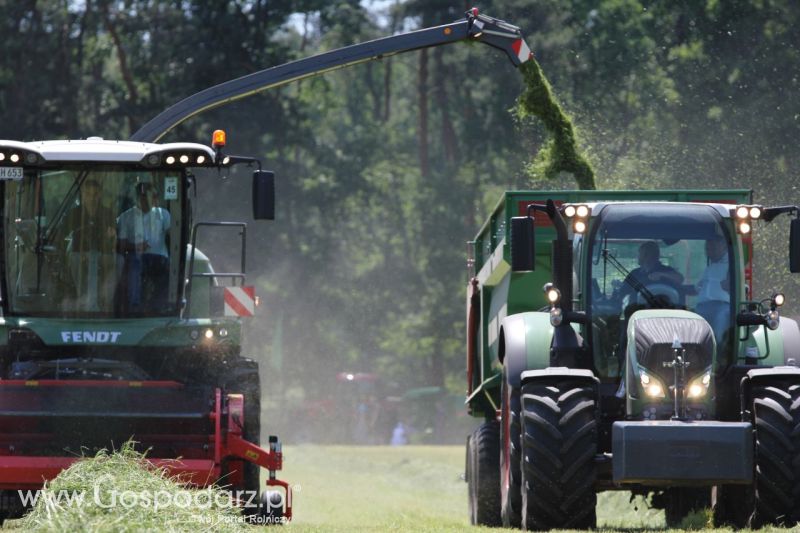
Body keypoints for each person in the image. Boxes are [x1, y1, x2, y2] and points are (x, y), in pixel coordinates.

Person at [116, 182, 171, 312]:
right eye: (146, 196)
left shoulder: (163, 214)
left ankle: (159, 307)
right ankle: (134, 306)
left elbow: (173, 236)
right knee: (135, 263)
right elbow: (120, 245)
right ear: (138, 197)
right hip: (136, 257)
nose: (152, 199)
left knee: (170, 269)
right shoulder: (125, 217)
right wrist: (136, 246)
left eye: (154, 196)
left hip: (160, 258)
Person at [63, 179, 116, 311]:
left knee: (119, 261)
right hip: (78, 254)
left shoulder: (108, 213)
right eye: (88, 194)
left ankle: (105, 301)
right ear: (83, 195)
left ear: (100, 195)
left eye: (95, 194)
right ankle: (86, 299)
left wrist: (112, 236)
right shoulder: (74, 213)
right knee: (75, 259)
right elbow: (61, 235)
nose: (92, 198)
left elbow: (115, 239)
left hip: (103, 255)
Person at [614, 241, 684, 304]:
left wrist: (661, 274)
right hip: (637, 313)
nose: (638, 257)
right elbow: (624, 290)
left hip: (666, 313)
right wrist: (619, 285)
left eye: (640, 254)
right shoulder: (635, 273)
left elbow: (680, 279)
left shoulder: (666, 270)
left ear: (647, 255)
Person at [694, 236, 730, 342]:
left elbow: (732, 286)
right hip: (703, 306)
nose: (708, 251)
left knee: (721, 321)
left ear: (723, 246)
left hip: (723, 307)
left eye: (711, 248)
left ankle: (719, 352)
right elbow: (698, 287)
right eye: (707, 248)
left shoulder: (731, 265)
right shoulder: (709, 268)